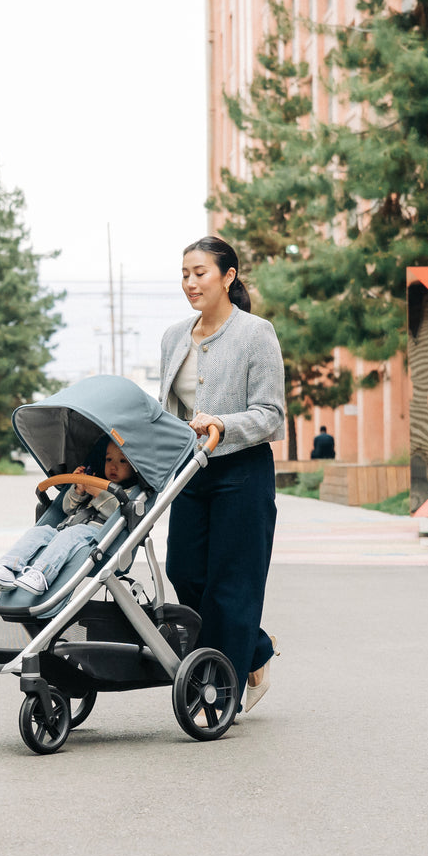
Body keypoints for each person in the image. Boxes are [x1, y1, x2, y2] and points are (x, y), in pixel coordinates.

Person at [160, 236, 286, 713]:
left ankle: (223, 690)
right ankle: (255, 648)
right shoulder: (174, 336)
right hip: (191, 471)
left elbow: (271, 414)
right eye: (186, 274)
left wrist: (222, 423)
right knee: (185, 572)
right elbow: (168, 410)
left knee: (232, 583)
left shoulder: (256, 333)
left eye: (200, 273)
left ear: (228, 276)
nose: (191, 282)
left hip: (242, 470)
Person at [0, 440, 136, 597]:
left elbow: (116, 512)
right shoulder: (95, 480)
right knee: (40, 532)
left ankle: (42, 574)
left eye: (123, 461)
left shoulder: (129, 493)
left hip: (96, 537)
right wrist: (78, 489)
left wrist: (96, 492)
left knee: (73, 532)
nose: (113, 466)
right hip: (65, 530)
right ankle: (7, 567)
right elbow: (68, 508)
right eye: (109, 459)